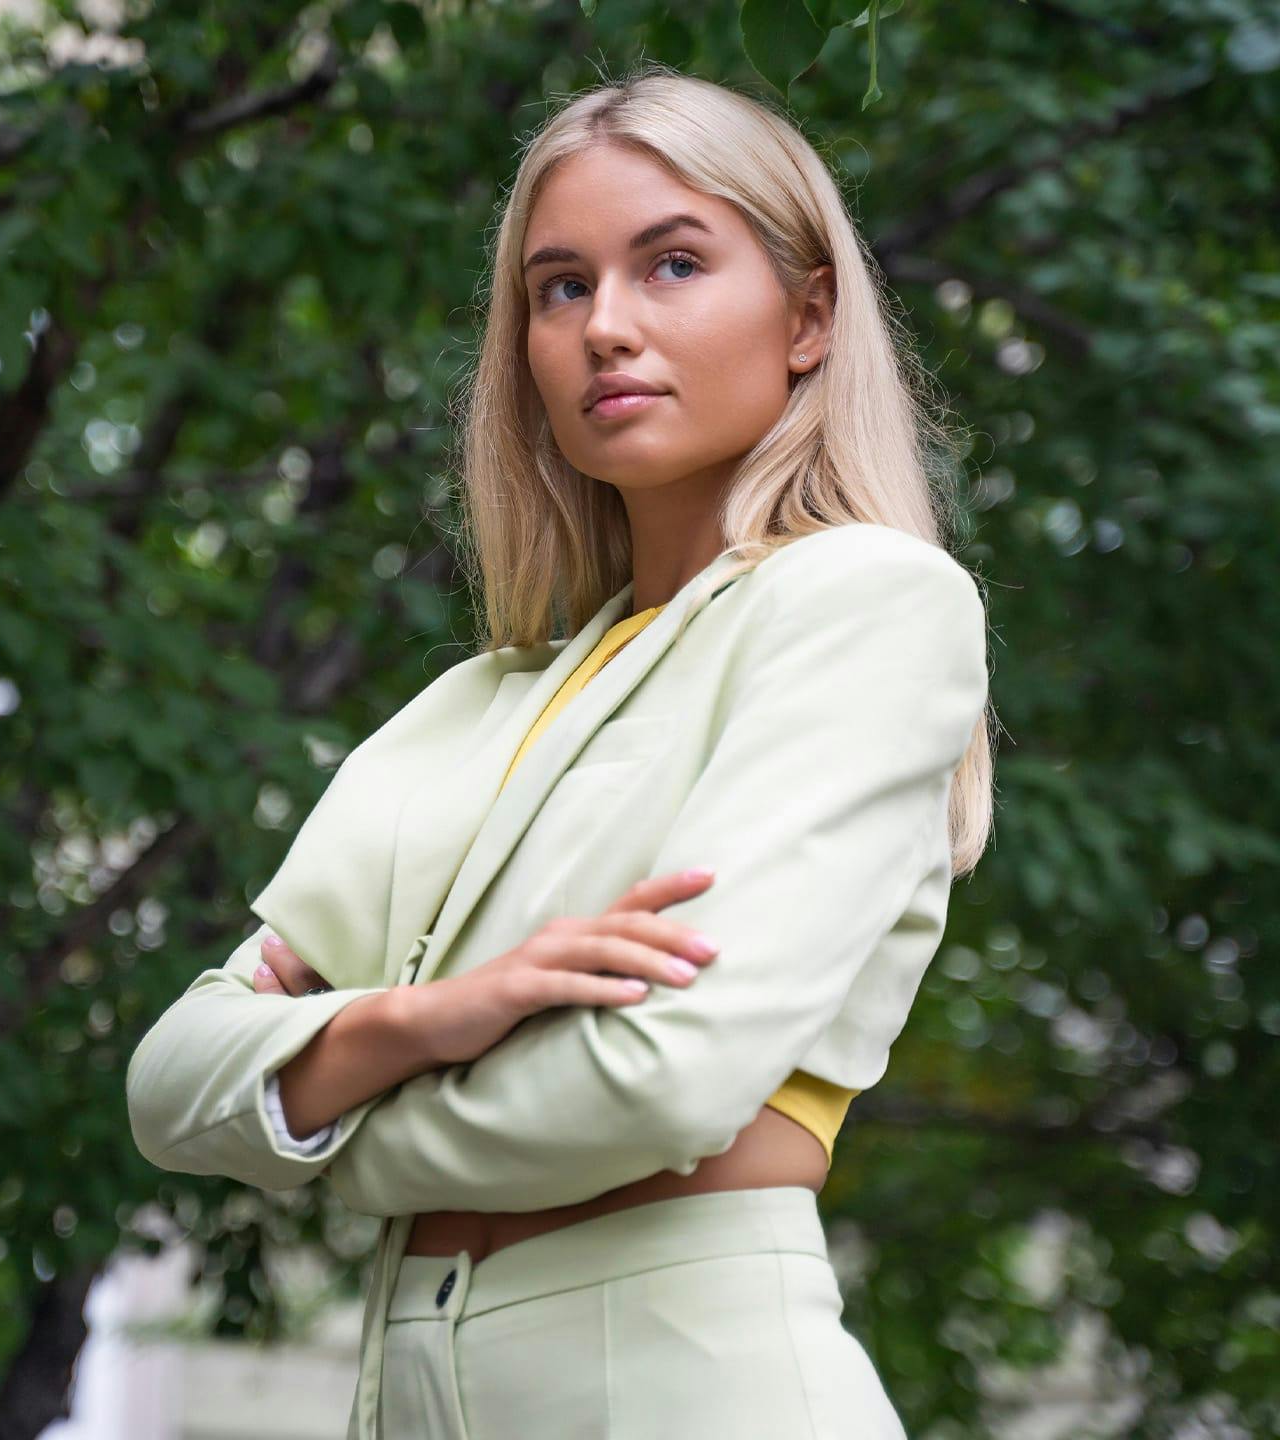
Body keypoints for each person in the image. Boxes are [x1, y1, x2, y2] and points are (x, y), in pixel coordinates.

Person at [127, 63, 997, 1439]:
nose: (607, 326)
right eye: (560, 286)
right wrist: (427, 1017)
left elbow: (662, 1076)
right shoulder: (474, 706)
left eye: (672, 264)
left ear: (810, 314)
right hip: (407, 1388)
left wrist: (334, 1114)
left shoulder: (866, 601)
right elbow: (171, 1082)